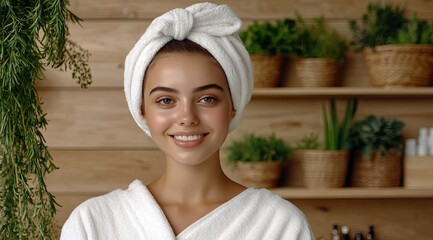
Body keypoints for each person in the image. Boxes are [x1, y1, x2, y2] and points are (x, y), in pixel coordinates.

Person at [60, 2, 315, 239]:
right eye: (166, 101)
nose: (187, 118)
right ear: (143, 111)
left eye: (207, 99)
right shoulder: (92, 223)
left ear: (233, 106)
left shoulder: (280, 225)